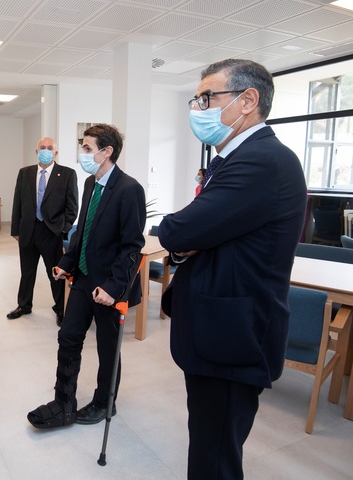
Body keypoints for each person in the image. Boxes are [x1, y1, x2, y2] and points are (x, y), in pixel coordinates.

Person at [158, 59, 307, 480]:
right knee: (209, 441)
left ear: (247, 101)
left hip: (233, 336)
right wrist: (189, 242)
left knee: (216, 457)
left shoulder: (263, 161)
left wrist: (183, 236)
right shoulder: (234, 157)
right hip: (219, 327)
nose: (198, 107)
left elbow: (181, 228)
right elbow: (203, 234)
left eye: (207, 97)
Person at [27, 124, 146, 429]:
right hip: (82, 279)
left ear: (107, 152)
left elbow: (132, 247)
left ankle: (106, 403)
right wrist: (67, 262)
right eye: (83, 147)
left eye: (88, 148)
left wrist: (114, 287)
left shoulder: (129, 189)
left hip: (106, 287)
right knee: (68, 338)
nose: (83, 154)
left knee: (108, 349)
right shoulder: (92, 184)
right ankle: (64, 402)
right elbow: (83, 231)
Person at [8, 137, 78, 327]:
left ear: (56, 153)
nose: (46, 151)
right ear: (36, 151)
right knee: (27, 272)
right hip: (28, 230)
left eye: (50, 148)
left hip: (51, 232)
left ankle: (60, 308)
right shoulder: (25, 173)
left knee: (55, 273)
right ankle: (24, 305)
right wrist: (15, 229)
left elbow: (72, 207)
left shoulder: (67, 174)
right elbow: (18, 202)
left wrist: (63, 229)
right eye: (42, 148)